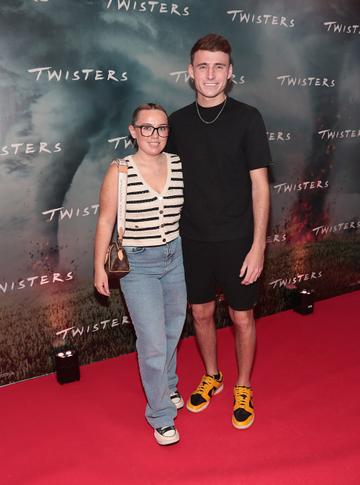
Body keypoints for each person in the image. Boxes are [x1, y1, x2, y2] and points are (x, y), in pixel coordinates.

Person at [167, 33, 271, 429]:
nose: (211, 74)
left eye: (219, 67)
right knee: (201, 313)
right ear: (191, 73)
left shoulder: (248, 118)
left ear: (230, 73)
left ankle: (243, 385)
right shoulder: (174, 123)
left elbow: (261, 185)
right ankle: (212, 376)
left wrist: (258, 245)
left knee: (243, 318)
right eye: (203, 66)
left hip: (238, 239)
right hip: (190, 239)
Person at [94, 103, 187, 445]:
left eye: (161, 128)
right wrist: (98, 269)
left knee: (171, 330)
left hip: (174, 256)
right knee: (151, 342)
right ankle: (161, 415)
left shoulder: (177, 163)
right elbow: (105, 220)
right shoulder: (120, 170)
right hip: (138, 263)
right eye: (146, 128)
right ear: (133, 131)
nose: (155, 135)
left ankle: (169, 385)